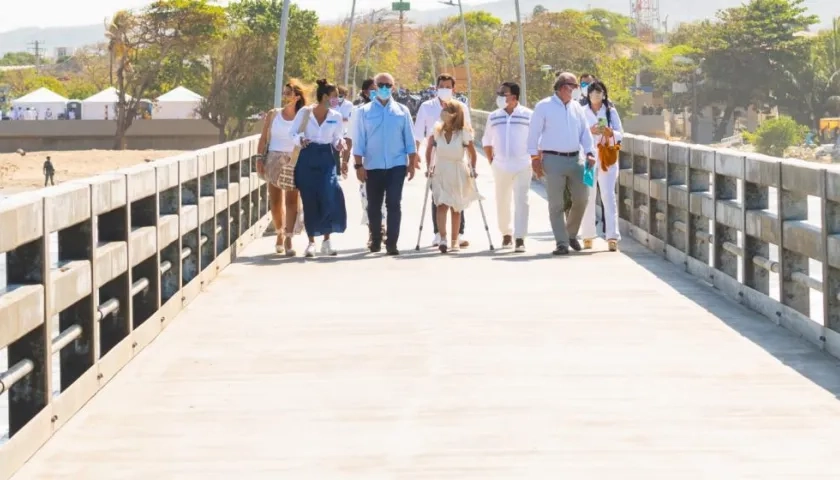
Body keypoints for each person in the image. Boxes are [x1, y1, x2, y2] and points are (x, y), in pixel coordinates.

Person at [527, 72, 596, 256]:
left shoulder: (577, 108)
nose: (577, 89)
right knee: (556, 204)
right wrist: (534, 158)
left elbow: (585, 134)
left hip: (576, 159)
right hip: (552, 159)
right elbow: (533, 133)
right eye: (574, 85)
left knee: (582, 198)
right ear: (563, 87)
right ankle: (562, 242)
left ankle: (571, 233)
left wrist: (590, 152)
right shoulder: (544, 106)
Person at [352, 72, 418, 255]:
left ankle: (392, 243)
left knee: (394, 203)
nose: (384, 88)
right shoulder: (363, 112)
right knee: (373, 205)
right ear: (374, 85)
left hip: (397, 165)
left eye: (388, 85)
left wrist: (412, 163)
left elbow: (409, 139)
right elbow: (359, 141)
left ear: (393, 87)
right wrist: (358, 165)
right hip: (373, 166)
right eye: (380, 84)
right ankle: (375, 239)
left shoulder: (402, 111)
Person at [289, 78, 348, 258]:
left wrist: (340, 144)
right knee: (310, 199)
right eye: (334, 96)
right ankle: (311, 242)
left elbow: (338, 137)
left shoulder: (336, 116)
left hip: (326, 158)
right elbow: (292, 133)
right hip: (307, 157)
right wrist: (300, 140)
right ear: (324, 97)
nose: (337, 100)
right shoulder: (305, 113)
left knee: (329, 194)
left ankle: (327, 240)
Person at [413, 73, 471, 248]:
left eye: (448, 86)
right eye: (441, 86)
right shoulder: (426, 106)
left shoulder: (461, 106)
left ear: (453, 89)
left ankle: (458, 234)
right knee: (438, 198)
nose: (444, 89)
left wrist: (469, 162)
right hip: (437, 158)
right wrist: (416, 154)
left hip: (456, 157)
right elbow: (418, 132)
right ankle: (439, 234)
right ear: (436, 88)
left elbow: (467, 131)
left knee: (457, 198)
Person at [256, 80, 307, 256]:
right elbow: (263, 138)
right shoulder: (274, 114)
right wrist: (259, 159)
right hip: (273, 160)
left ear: (297, 96)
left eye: (288, 93)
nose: (285, 96)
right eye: (284, 93)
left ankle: (289, 238)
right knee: (276, 202)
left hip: (294, 160)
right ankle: (279, 233)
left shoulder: (304, 116)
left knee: (292, 202)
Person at [482, 81, 533, 253]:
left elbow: (535, 140)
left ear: (514, 96)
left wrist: (536, 160)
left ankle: (520, 238)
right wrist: (492, 161)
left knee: (522, 201)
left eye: (504, 93)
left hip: (523, 165)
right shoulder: (494, 116)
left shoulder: (528, 115)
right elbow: (487, 140)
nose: (500, 96)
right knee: (502, 200)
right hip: (501, 165)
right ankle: (506, 233)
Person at [426, 100, 480, 253]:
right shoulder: (437, 131)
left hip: (457, 171)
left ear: (456, 114)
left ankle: (455, 240)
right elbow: (431, 150)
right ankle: (442, 238)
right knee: (441, 205)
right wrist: (429, 167)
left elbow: (472, 153)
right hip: (441, 171)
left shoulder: (464, 133)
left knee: (456, 208)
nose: (444, 112)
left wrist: (473, 168)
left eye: (448, 109)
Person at [580, 81, 624, 252]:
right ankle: (588, 235)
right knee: (588, 196)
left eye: (599, 92)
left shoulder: (611, 112)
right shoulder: (582, 112)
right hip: (589, 159)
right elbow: (578, 134)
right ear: (588, 95)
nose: (596, 96)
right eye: (593, 92)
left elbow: (621, 134)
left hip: (607, 160)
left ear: (604, 94)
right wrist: (590, 131)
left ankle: (612, 236)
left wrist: (610, 133)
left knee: (608, 195)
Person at [336, 85, 354, 174]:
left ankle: (344, 164)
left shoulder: (349, 105)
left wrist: (339, 118)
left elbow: (349, 118)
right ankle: (337, 168)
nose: (338, 97)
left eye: (341, 95)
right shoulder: (331, 103)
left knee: (347, 147)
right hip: (334, 130)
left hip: (345, 129)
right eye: (337, 95)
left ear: (345, 96)